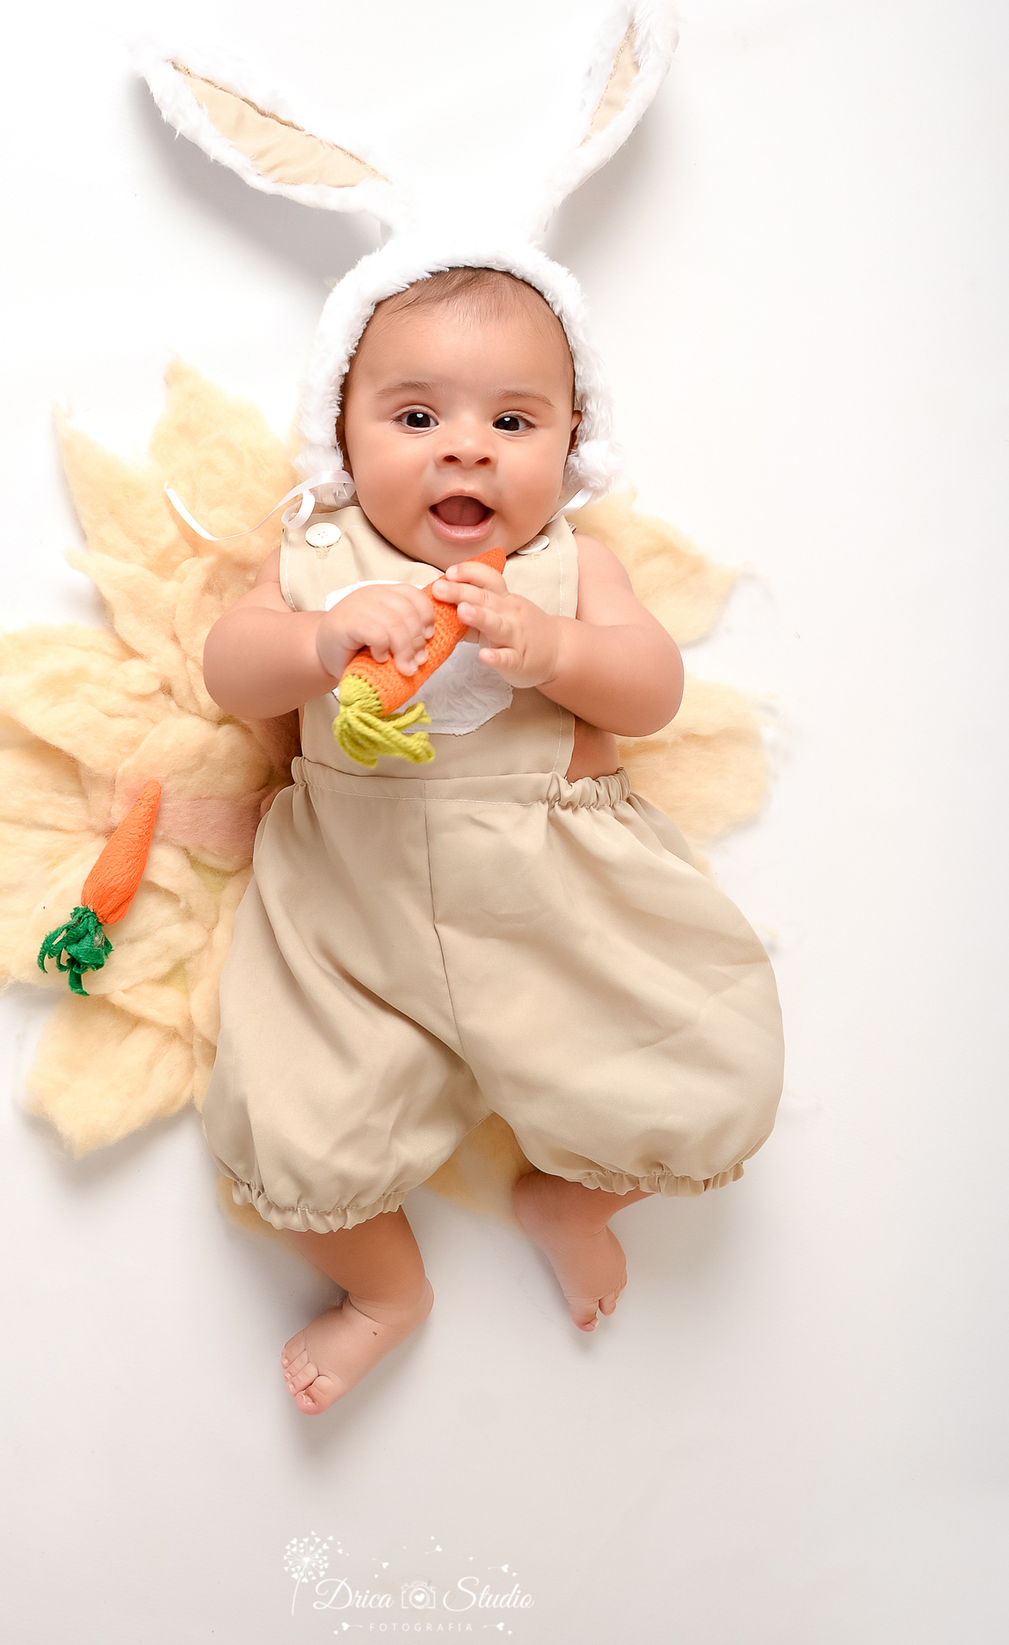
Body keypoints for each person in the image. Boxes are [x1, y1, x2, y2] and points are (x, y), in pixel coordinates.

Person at [201, 266, 784, 1415]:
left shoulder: (573, 569)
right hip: (350, 912)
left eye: (513, 422)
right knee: (293, 1122)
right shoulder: (316, 560)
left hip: (557, 894)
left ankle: (572, 1199)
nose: (466, 451)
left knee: (712, 1062)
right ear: (342, 431)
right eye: (416, 417)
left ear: (571, 442)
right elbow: (228, 671)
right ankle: (385, 1294)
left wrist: (563, 652)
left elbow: (652, 690)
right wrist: (319, 640)